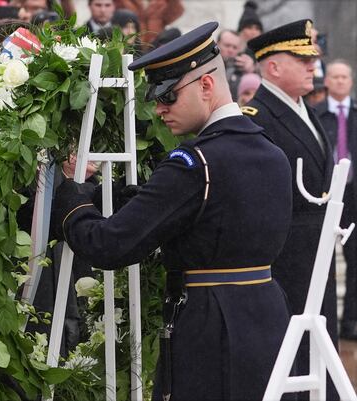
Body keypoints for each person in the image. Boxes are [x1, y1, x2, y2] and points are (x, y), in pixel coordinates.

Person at [52, 21, 294, 401]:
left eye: (168, 96)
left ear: (206, 85)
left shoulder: (194, 163)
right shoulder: (272, 152)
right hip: (268, 317)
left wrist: (70, 196)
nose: (160, 109)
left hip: (210, 326)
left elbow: (108, 245)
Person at [243, 19, 338, 400]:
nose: (314, 65)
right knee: (292, 354)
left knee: (320, 344)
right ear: (274, 66)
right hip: (286, 255)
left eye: (312, 58)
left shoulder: (305, 110)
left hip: (316, 250)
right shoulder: (258, 118)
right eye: (303, 59)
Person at [315, 59, 357, 340]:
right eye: (335, 76)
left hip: (354, 195)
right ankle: (324, 320)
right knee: (324, 259)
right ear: (327, 80)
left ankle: (351, 323)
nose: (340, 81)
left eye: (345, 77)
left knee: (355, 261)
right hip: (325, 195)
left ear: (351, 81)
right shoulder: (317, 114)